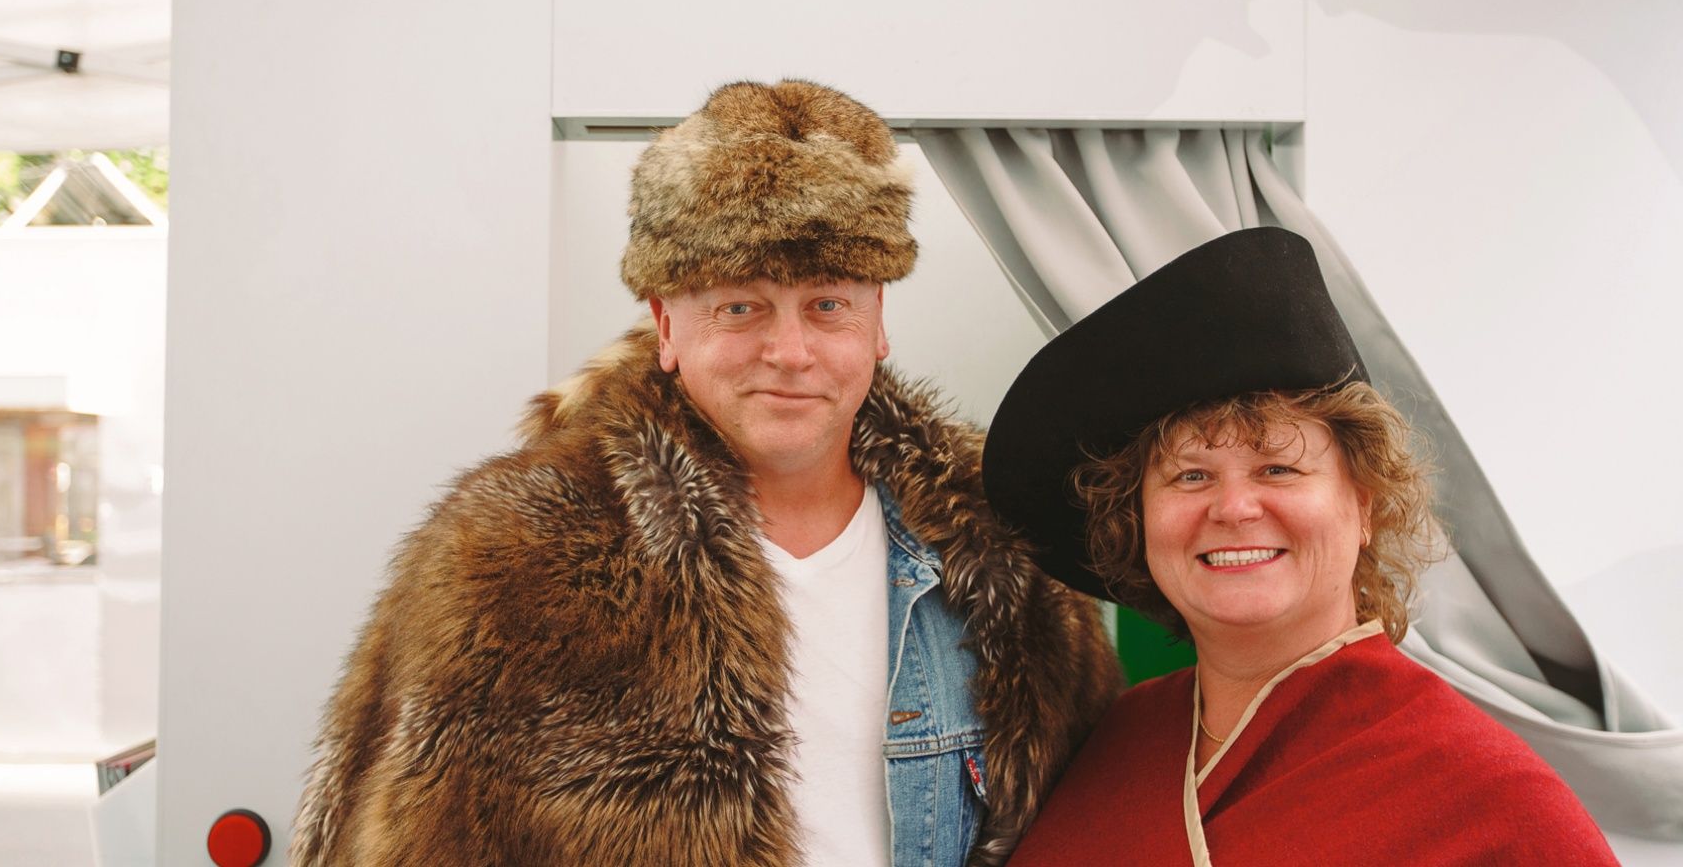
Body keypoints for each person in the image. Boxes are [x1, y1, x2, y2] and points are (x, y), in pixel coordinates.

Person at [290, 80, 1122, 867]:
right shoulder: (513, 550)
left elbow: (1091, 823)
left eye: (827, 304)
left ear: (877, 325)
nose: (789, 351)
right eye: (740, 306)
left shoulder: (1004, 553)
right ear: (665, 327)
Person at [981, 226, 1617, 866]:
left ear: (1364, 504)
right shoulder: (1114, 741)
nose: (1232, 508)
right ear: (1136, 519)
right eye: (1191, 475)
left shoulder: (1500, 807)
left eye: (1278, 468)